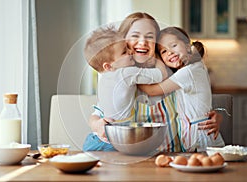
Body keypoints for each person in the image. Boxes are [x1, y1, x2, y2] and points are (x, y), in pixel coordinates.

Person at [83, 12, 223, 152]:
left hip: (172, 156)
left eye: (150, 37)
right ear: (123, 41)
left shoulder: (175, 71)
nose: (143, 42)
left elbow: (199, 101)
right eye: (135, 36)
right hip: (134, 160)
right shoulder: (117, 78)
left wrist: (217, 115)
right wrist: (97, 125)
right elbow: (98, 114)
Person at [138, 27, 225, 152]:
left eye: (173, 45)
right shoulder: (185, 72)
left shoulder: (189, 72)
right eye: (163, 51)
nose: (169, 52)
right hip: (193, 136)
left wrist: (132, 78)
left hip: (201, 136)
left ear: (187, 45)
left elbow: (152, 91)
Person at [82, 26, 167, 151]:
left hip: (94, 140)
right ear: (108, 66)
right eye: (124, 52)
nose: (130, 52)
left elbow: (99, 110)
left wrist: (95, 123)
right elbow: (160, 75)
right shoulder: (126, 73)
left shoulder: (103, 79)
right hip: (116, 141)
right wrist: (157, 58)